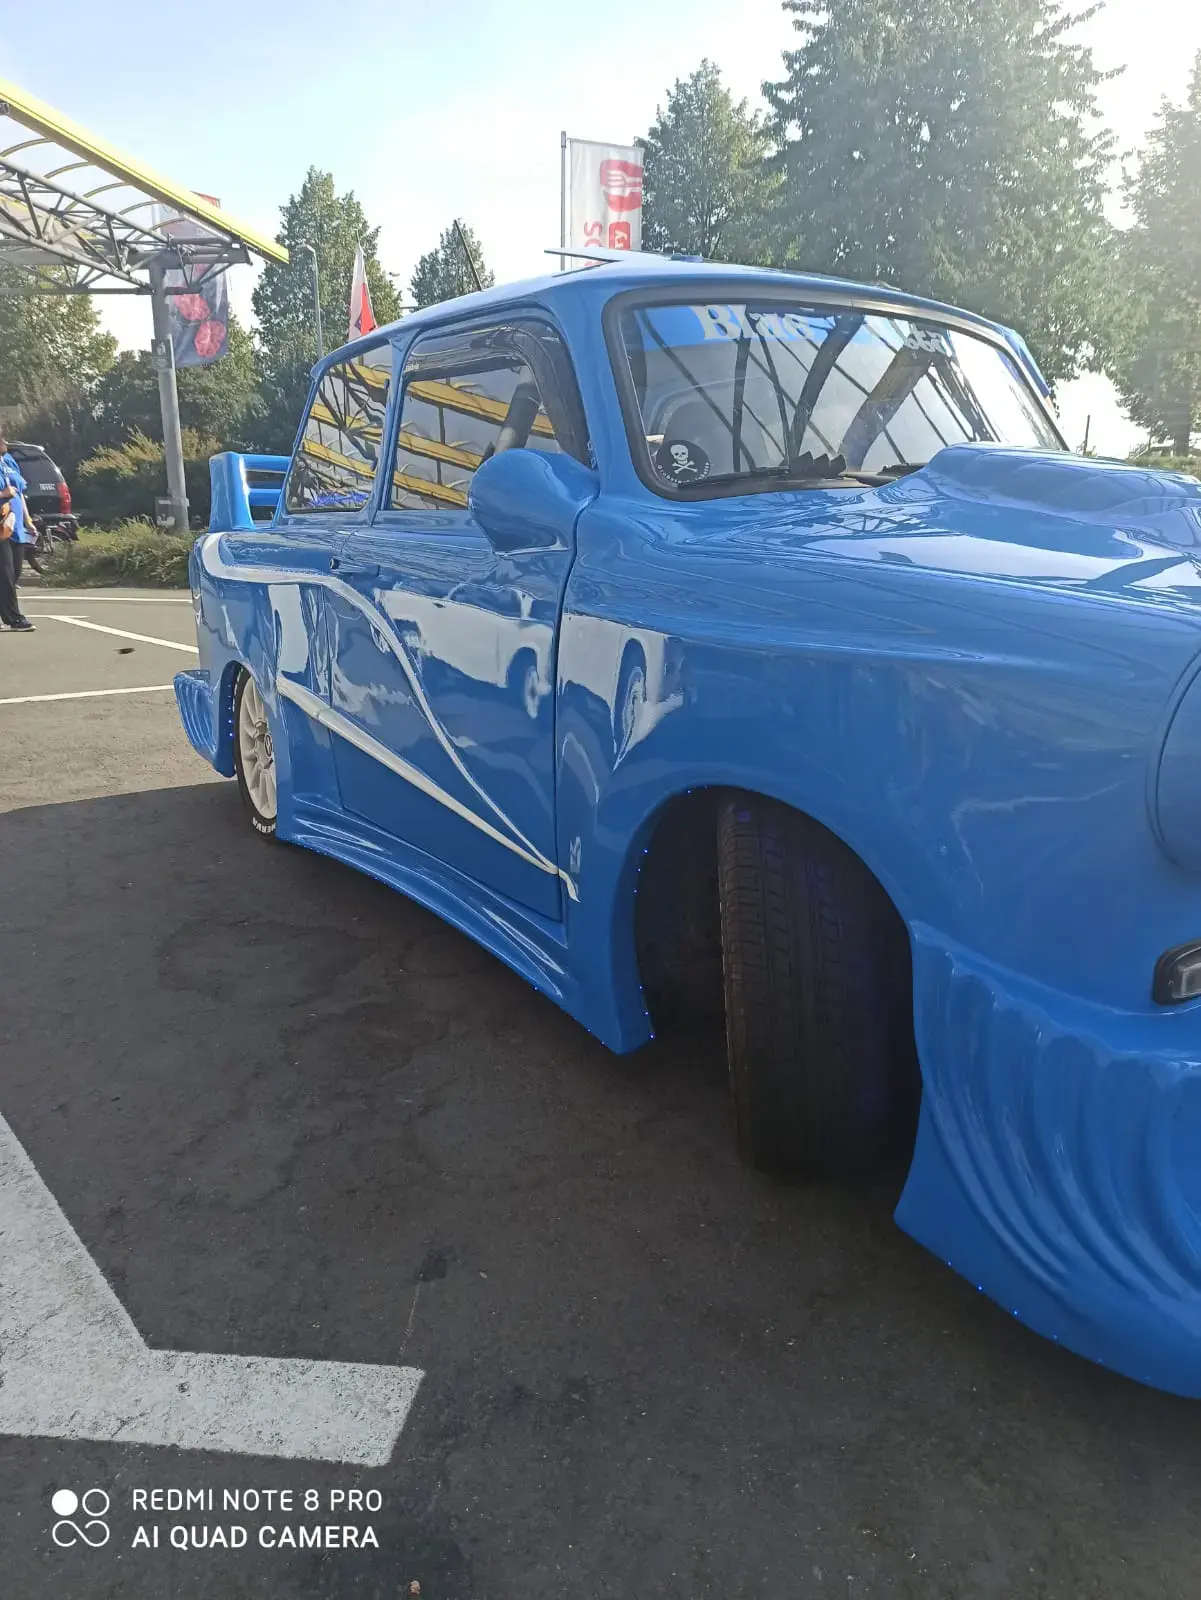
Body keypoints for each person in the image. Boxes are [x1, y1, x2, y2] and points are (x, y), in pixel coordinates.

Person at [0, 435, 36, 632]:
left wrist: (27, 520)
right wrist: (2, 494)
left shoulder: (9, 461)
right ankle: (14, 619)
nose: (3, 441)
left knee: (14, 573)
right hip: (1, 526)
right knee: (5, 575)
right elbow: (7, 492)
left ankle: (6, 611)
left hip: (15, 526)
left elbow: (19, 493)